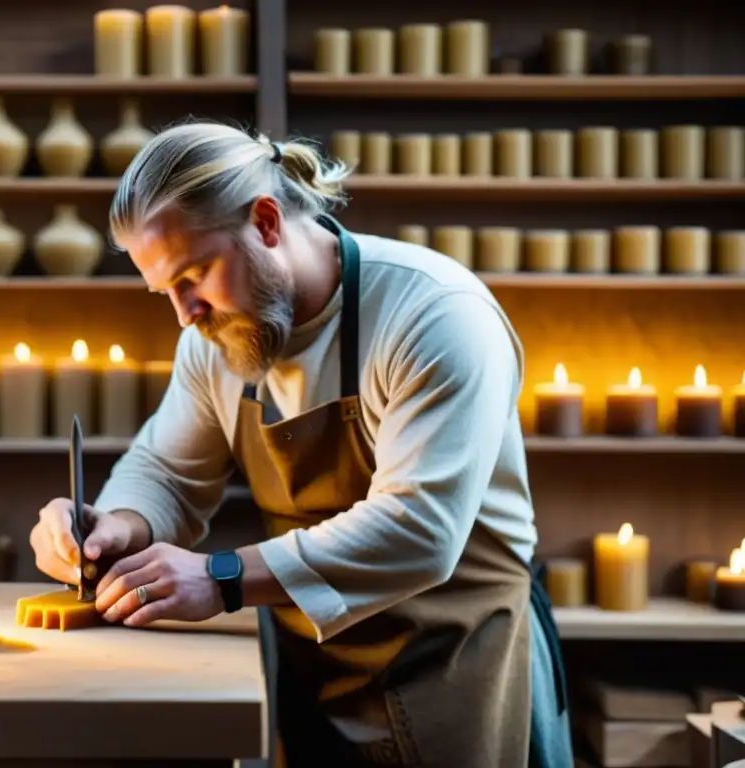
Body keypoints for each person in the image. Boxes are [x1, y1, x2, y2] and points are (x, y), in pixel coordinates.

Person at [29, 120, 574, 768]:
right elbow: (169, 472)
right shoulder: (218, 339)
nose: (184, 314)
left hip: (460, 665)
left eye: (194, 275)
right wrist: (115, 525)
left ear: (265, 222)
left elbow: (421, 528)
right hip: (315, 672)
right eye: (164, 291)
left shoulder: (434, 314)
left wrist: (220, 576)